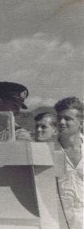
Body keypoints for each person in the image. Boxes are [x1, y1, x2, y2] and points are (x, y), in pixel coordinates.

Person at [54, 97, 83, 229]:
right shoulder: (47, 150)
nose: (61, 122)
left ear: (81, 123)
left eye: (67, 118)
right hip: (60, 222)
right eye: (59, 118)